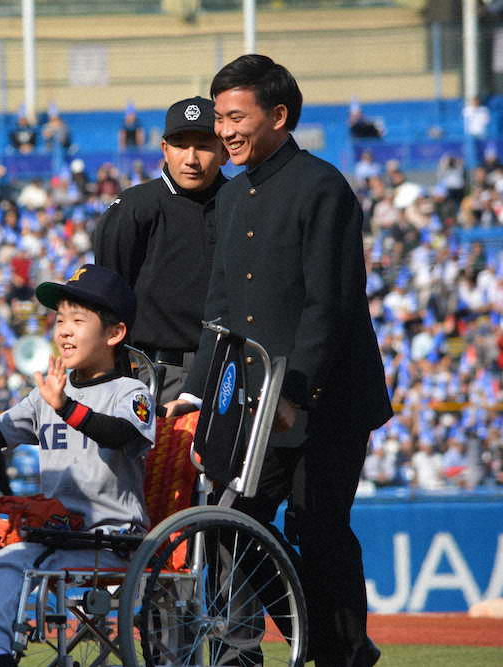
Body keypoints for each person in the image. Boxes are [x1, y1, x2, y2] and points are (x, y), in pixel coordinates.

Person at [166, 55, 391, 667]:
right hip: (257, 401)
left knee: (318, 530)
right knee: (232, 526)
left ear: (280, 115)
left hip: (326, 401)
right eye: (219, 118)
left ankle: (342, 653)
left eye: (235, 116)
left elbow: (332, 304)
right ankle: (284, 646)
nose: (224, 131)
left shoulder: (323, 187)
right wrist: (195, 391)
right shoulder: (234, 196)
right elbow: (220, 309)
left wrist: (295, 393)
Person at [0, 263, 155, 667]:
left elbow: (121, 435)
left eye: (78, 320)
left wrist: (67, 407)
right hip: (58, 534)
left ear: (114, 333)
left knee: (9, 560)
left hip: (108, 538)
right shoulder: (49, 394)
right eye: (59, 321)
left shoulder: (130, 390)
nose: (64, 330)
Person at [93, 96, 227, 402]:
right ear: (165, 149)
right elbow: (109, 300)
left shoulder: (242, 205)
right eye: (180, 145)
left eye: (204, 145)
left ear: (224, 151)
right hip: (154, 373)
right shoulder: (134, 208)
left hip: (227, 372)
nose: (191, 158)